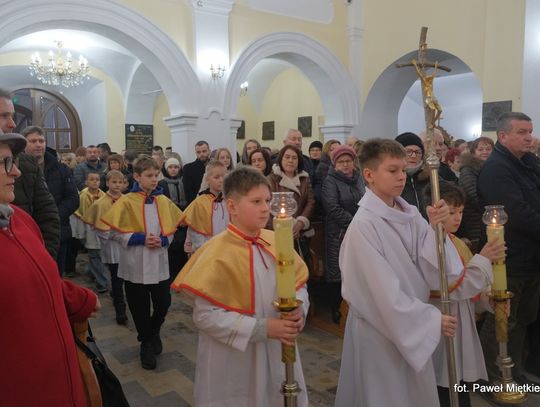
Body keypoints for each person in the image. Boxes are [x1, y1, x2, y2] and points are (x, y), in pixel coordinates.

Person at [171, 166, 310, 406]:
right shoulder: (214, 253)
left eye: (267, 200)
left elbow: (298, 285)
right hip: (234, 359)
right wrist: (262, 328)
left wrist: (299, 308)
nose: (265, 208)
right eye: (256, 201)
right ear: (232, 206)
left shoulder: (277, 241)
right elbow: (205, 316)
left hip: (276, 350)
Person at [335, 138, 458, 407]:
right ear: (369, 175)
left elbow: (431, 265)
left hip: (409, 320)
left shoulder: (410, 213)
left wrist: (436, 230)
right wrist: (429, 320)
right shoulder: (364, 227)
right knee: (386, 396)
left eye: (403, 169)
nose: (402, 176)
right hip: (381, 330)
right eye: (392, 170)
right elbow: (381, 294)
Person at [0, 130, 100, 406]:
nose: (17, 172)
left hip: (59, 378)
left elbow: (36, 278)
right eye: (5, 163)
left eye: (13, 161)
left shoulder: (18, 218)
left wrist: (76, 299)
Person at [424, 182, 502, 407]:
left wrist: (489, 301)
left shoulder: (455, 241)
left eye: (460, 212)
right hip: (442, 323)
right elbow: (452, 288)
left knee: (459, 385)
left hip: (461, 322)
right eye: (451, 212)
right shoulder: (429, 243)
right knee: (444, 385)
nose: (457, 218)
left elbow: (470, 292)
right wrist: (484, 258)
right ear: (434, 211)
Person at [101, 155, 183, 370]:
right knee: (139, 307)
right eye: (149, 176)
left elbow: (172, 229)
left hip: (159, 262)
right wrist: (139, 238)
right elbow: (113, 232)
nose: (154, 179)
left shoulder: (163, 201)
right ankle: (146, 343)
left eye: (156, 175)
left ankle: (152, 332)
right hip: (134, 263)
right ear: (137, 177)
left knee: (163, 303)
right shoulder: (126, 201)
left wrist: (163, 240)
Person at [477, 112, 540, 384]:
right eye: (522, 132)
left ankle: (514, 371)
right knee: (503, 319)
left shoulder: (528, 162)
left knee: (523, 318)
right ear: (502, 136)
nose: (529, 138)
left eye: (530, 132)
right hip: (508, 257)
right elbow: (518, 213)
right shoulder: (496, 169)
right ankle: (493, 378)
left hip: (531, 257)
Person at [0, 89, 60, 259]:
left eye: (12, 116)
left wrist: (42, 259)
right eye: (3, 116)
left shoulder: (28, 164)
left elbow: (47, 213)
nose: (12, 124)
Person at [22, 125, 79, 276]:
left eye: (41, 141)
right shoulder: (17, 168)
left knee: (56, 276)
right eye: (33, 141)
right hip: (28, 232)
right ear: (24, 144)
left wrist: (52, 217)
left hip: (58, 231)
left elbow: (73, 199)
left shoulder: (61, 169)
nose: (38, 145)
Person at [321, 145, 364, 323]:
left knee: (357, 270)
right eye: (341, 162)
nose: (345, 165)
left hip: (360, 230)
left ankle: (356, 309)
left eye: (348, 161)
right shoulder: (330, 181)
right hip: (338, 233)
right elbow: (332, 207)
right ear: (334, 164)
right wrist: (355, 223)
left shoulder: (359, 178)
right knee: (337, 272)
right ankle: (336, 311)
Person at [84, 170, 128, 324]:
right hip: (112, 245)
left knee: (127, 276)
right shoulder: (101, 203)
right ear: (107, 183)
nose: (117, 185)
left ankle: (122, 298)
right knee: (116, 277)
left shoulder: (127, 200)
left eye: (120, 182)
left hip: (128, 244)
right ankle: (120, 309)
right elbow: (97, 226)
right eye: (114, 182)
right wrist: (113, 235)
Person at [267, 145, 315, 264]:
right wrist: (284, 226)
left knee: (300, 265)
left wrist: (300, 222)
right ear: (281, 159)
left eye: (294, 158)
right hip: (278, 230)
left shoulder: (304, 179)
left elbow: (310, 201)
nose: (290, 161)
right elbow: (268, 203)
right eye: (287, 157)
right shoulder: (272, 179)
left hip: (300, 231)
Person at [183, 160, 229, 256]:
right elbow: (195, 230)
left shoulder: (228, 201)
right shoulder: (200, 203)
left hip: (225, 249)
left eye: (224, 177)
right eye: (216, 177)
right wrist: (205, 248)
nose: (221, 180)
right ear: (207, 179)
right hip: (206, 250)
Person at [457, 136, 494, 253]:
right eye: (481, 149)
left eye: (488, 149)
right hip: (475, 223)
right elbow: (473, 195)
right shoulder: (468, 170)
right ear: (473, 152)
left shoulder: (491, 168)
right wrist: (493, 209)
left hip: (487, 220)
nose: (485, 152)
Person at [76, 172, 109, 293]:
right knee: (94, 255)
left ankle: (90, 271)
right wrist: (81, 234)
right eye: (92, 179)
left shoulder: (104, 195)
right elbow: (81, 215)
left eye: (97, 179)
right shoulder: (83, 196)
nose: (95, 182)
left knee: (99, 256)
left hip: (102, 228)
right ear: (86, 182)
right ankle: (102, 282)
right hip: (89, 229)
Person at [158, 157, 188, 282]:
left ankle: (182, 275)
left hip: (185, 219)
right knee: (172, 249)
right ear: (166, 169)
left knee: (183, 248)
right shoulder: (162, 184)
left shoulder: (184, 182)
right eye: (170, 167)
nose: (173, 169)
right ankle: (172, 276)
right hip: (170, 220)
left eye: (176, 167)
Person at [395, 132, 431, 218]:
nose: (413, 156)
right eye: (408, 151)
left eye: (418, 152)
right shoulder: (391, 179)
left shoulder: (430, 177)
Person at [183, 140, 210, 204]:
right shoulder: (188, 168)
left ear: (209, 151)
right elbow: (188, 193)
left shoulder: (215, 167)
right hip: (196, 204)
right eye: (198, 152)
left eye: (204, 151)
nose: (201, 154)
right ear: (196, 153)